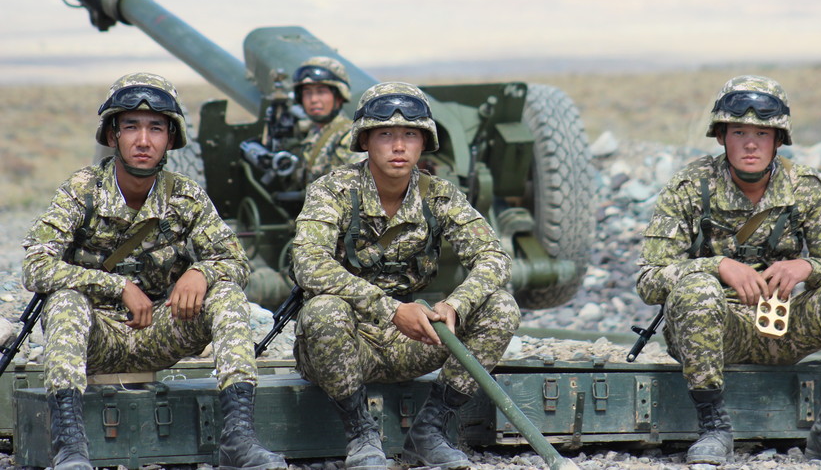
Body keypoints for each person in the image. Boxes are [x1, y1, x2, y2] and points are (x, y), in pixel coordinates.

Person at [21, 73, 286, 470]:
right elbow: (35, 266)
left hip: (161, 330)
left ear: (170, 138)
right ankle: (70, 447)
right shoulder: (82, 189)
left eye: (156, 129)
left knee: (227, 293)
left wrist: (201, 273)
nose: (143, 140)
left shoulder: (185, 196)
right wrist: (116, 285)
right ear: (112, 135)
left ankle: (239, 438)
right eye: (131, 127)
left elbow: (235, 261)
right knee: (64, 301)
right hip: (95, 334)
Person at [636, 75, 821, 467]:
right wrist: (717, 266)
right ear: (722, 136)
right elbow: (649, 279)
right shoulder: (689, 186)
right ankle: (714, 430)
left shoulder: (804, 186)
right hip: (718, 330)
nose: (750, 144)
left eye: (762, 133)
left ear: (778, 140)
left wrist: (806, 266)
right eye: (739, 132)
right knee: (697, 290)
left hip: (786, 325)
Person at [291, 81, 520, 470]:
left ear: (423, 142)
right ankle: (361, 435)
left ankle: (429, 432)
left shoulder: (439, 195)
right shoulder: (332, 191)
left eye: (410, 135)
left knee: (501, 307)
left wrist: (456, 304)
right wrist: (392, 309)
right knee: (323, 310)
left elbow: (493, 257)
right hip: (345, 343)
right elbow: (308, 262)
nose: (398, 147)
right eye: (385, 135)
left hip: (412, 341)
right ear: (365, 140)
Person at [291, 56, 363, 185]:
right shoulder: (308, 133)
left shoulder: (350, 138)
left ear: (339, 97)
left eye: (321, 92)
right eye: (307, 93)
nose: (313, 100)